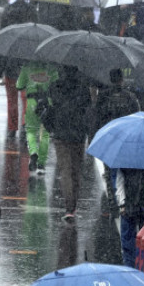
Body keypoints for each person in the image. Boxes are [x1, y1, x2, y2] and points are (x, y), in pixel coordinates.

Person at [43, 66, 93, 220]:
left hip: (60, 133)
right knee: (76, 170)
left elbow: (49, 106)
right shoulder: (83, 89)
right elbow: (88, 110)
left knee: (65, 170)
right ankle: (74, 205)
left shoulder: (55, 86)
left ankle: (69, 207)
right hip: (78, 134)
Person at [0, 1, 34, 136]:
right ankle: (25, 125)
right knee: (26, 97)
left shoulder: (7, 12)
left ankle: (12, 128)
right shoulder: (32, 12)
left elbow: (0, 43)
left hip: (10, 61)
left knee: (12, 98)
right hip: (27, 62)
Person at [15, 59, 58, 175]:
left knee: (31, 131)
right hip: (47, 103)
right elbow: (56, 85)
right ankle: (41, 164)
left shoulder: (26, 67)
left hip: (31, 103)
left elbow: (19, 86)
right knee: (45, 134)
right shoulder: (52, 68)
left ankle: (33, 152)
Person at [117, 166, 144, 267]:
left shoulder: (124, 161)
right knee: (142, 241)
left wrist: (122, 203)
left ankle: (131, 268)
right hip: (140, 205)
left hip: (133, 205)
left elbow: (120, 183)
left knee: (130, 242)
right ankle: (141, 267)